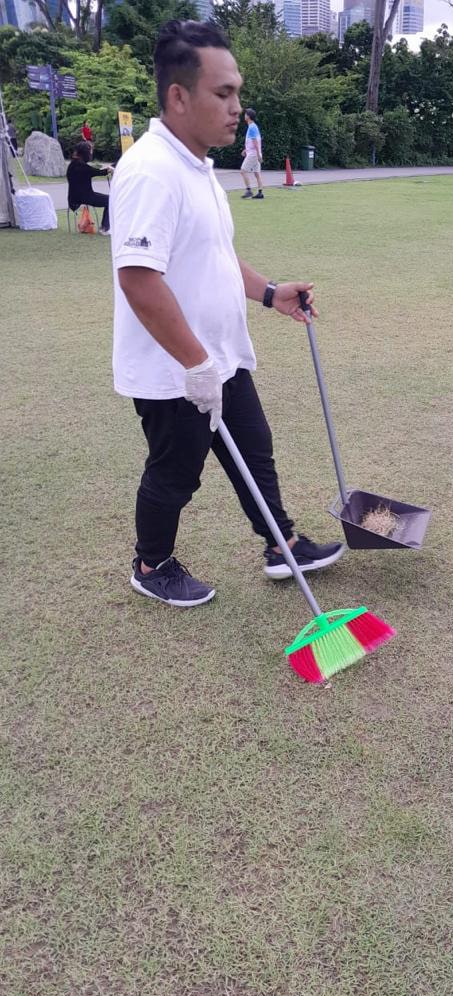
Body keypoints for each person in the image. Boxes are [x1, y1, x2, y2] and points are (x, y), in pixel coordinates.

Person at [110, 19, 344, 607]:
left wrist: (270, 293)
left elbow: (214, 256)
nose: (237, 106)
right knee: (176, 470)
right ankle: (151, 563)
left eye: (237, 92)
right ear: (179, 96)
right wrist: (193, 364)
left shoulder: (199, 166)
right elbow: (139, 278)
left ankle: (280, 543)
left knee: (254, 447)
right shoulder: (150, 170)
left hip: (219, 353)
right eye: (224, 93)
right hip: (175, 369)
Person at [66, 141, 112, 235]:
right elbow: (97, 172)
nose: (91, 153)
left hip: (73, 198)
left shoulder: (72, 165)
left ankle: (105, 227)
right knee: (111, 200)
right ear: (85, 152)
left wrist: (106, 170)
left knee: (109, 199)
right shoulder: (82, 166)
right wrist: (110, 169)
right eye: (90, 151)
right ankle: (105, 228)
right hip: (85, 197)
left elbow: (94, 171)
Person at [240, 107, 264, 199]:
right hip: (254, 153)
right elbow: (254, 141)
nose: (244, 115)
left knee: (243, 171)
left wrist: (258, 155)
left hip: (253, 154)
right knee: (257, 174)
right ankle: (260, 193)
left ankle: (249, 190)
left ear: (249, 116)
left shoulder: (251, 127)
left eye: (246, 114)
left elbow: (255, 142)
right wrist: (246, 150)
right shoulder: (253, 126)